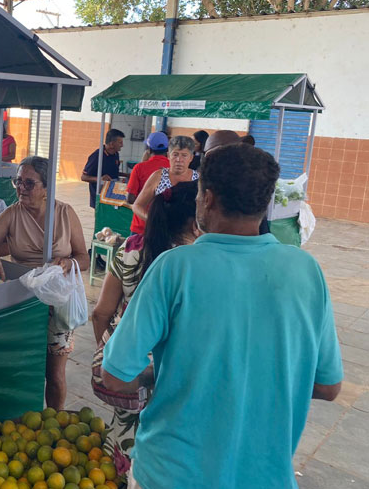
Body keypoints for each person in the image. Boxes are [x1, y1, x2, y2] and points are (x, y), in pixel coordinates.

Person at [101, 143, 343, 489]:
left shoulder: (175, 267)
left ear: (208, 199)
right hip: (265, 478)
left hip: (172, 473)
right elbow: (328, 385)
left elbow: (115, 375)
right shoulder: (305, 270)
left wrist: (158, 376)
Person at [92, 181, 199, 476]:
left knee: (125, 437)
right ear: (195, 223)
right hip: (173, 382)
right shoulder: (194, 266)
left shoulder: (131, 248)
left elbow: (101, 313)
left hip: (129, 371)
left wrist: (108, 356)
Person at [0, 156, 89, 409]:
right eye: (18, 182)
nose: (21, 188)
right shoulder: (12, 214)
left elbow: (84, 258)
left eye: (29, 183)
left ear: (47, 187)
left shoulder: (65, 213)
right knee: (22, 368)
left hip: (58, 303)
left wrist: (69, 263)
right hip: (23, 302)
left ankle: (54, 421)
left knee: (55, 374)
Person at [132, 136, 198, 222]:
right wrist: (153, 220)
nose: (179, 160)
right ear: (168, 156)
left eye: (184, 155)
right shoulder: (158, 176)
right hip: (160, 232)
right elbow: (137, 205)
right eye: (175, 154)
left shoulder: (198, 179)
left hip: (188, 234)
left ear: (191, 158)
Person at [126, 132, 170, 235]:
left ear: (149, 150)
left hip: (141, 226)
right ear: (168, 150)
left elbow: (130, 199)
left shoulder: (139, 168)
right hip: (165, 225)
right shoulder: (173, 168)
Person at [81, 129, 126, 209]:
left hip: (112, 195)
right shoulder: (97, 156)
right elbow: (83, 177)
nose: (122, 145)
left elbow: (114, 172)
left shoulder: (115, 154)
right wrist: (100, 179)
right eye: (120, 142)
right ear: (112, 144)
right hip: (100, 196)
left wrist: (126, 175)